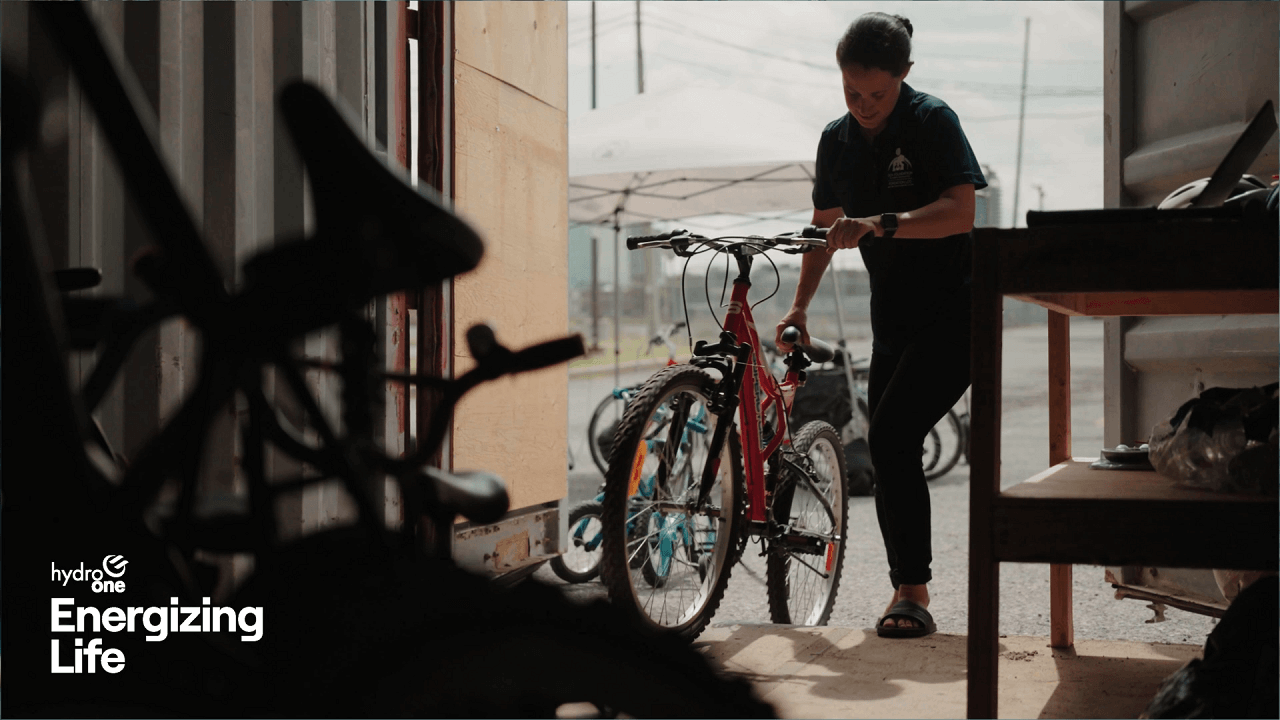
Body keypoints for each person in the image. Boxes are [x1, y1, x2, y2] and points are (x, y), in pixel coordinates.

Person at [775, 12, 986, 639]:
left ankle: (911, 590)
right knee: (892, 450)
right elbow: (821, 228)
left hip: (959, 311)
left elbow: (960, 212)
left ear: (905, 77)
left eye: (877, 94)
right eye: (851, 92)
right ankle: (908, 586)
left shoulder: (932, 121)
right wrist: (799, 306)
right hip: (892, 317)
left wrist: (882, 223)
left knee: (892, 437)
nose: (864, 106)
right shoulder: (835, 141)